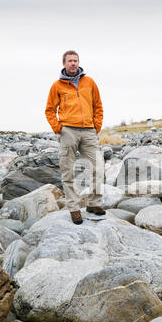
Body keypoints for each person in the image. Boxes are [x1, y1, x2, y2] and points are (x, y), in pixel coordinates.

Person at [45, 50, 105, 224]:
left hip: (88, 131)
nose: (73, 63)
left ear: (79, 63)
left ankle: (94, 204)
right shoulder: (57, 86)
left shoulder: (89, 82)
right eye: (70, 61)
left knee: (97, 168)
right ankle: (74, 208)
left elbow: (98, 106)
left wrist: (97, 126)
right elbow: (49, 110)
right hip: (68, 131)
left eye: (75, 60)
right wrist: (58, 128)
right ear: (64, 64)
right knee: (68, 171)